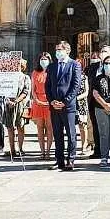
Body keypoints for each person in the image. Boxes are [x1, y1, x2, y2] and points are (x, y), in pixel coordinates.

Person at [45, 41, 82, 171]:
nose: (57, 52)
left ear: (67, 51)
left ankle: (70, 159)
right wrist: (51, 101)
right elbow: (48, 86)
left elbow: (76, 85)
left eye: (60, 49)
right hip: (54, 106)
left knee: (71, 133)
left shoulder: (74, 65)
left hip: (68, 106)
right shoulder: (52, 66)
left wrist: (65, 101)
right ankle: (59, 160)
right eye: (56, 50)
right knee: (57, 134)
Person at [5, 59, 31, 157]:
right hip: (8, 104)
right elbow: (3, 89)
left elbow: (26, 91)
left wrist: (16, 101)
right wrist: (8, 100)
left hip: (20, 104)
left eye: (19, 64)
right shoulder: (8, 77)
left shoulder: (25, 77)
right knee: (10, 127)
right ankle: (12, 150)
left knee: (20, 126)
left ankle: (20, 149)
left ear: (22, 66)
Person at [29, 53, 54, 159]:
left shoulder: (52, 72)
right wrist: (36, 100)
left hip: (49, 102)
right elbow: (33, 89)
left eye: (46, 59)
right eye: (42, 59)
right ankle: (42, 151)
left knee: (49, 128)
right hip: (38, 102)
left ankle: (48, 151)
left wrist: (50, 101)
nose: (44, 61)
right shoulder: (35, 72)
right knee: (40, 128)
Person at [77, 61, 91, 156]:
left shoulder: (84, 77)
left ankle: (84, 146)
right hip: (71, 104)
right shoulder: (70, 76)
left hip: (81, 104)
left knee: (83, 126)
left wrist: (76, 98)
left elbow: (86, 92)